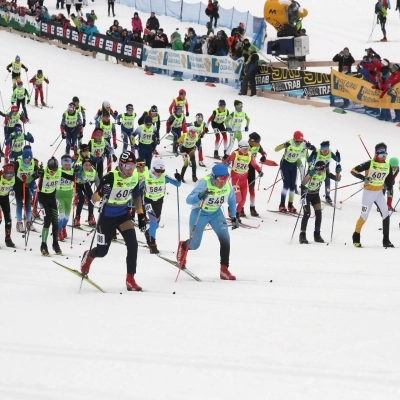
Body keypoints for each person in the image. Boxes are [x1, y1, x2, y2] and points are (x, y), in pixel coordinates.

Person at [80, 151, 147, 291]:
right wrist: (101, 192)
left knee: (133, 244)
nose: (130, 170)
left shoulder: (134, 177)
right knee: (102, 251)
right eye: (127, 166)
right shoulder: (110, 177)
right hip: (107, 217)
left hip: (122, 215)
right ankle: (89, 256)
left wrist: (141, 215)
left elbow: (136, 197)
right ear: (121, 165)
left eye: (133, 166)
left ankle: (130, 279)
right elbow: (92, 199)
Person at [176, 163, 238, 279]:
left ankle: (224, 270)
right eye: (220, 179)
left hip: (216, 213)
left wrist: (234, 216)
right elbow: (188, 200)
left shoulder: (227, 186)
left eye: (226, 178)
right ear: (213, 177)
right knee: (195, 245)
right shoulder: (203, 183)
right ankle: (183, 246)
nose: (223, 182)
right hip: (200, 213)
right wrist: (199, 196)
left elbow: (232, 200)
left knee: (225, 239)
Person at [351, 142, 394, 248]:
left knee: (386, 215)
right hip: (368, 194)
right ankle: (356, 236)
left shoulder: (387, 164)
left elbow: (390, 181)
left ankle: (386, 240)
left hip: (379, 193)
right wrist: (363, 178)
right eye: (381, 155)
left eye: (385, 155)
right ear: (376, 154)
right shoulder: (369, 163)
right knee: (364, 216)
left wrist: (390, 188)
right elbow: (353, 170)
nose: (383, 158)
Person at [36, 157, 75, 256]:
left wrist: (76, 172)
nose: (52, 172)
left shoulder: (59, 172)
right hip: (42, 198)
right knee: (47, 219)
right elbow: (27, 181)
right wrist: (36, 174)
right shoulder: (44, 171)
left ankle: (55, 244)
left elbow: (72, 178)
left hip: (52, 198)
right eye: (50, 170)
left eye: (54, 170)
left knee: (55, 221)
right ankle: (43, 245)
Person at [142, 158, 181, 254]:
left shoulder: (164, 177)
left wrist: (179, 178)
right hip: (148, 202)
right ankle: (152, 244)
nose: (159, 173)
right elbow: (135, 187)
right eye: (157, 171)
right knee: (153, 221)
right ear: (153, 169)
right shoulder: (147, 177)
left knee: (156, 223)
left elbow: (177, 184)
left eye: (161, 171)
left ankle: (148, 233)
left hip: (159, 202)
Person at [299, 161, 341, 244]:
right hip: (305, 194)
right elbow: (303, 183)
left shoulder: (325, 173)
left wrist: (338, 172)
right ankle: (302, 234)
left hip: (315, 195)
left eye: (321, 171)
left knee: (318, 214)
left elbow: (337, 179)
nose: (319, 173)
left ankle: (317, 234)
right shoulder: (311, 171)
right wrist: (310, 175)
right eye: (317, 171)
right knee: (307, 213)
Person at [275, 131, 315, 213]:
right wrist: (284, 146)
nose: (298, 143)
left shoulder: (303, 144)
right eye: (297, 141)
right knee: (286, 185)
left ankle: (290, 205)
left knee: (293, 187)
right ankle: (282, 204)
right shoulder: (289, 142)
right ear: (294, 139)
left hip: (293, 165)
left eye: (300, 141)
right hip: (285, 164)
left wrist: (310, 147)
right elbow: (276, 149)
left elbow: (314, 149)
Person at [223, 139, 263, 221]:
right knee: (238, 198)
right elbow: (227, 161)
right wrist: (224, 165)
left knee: (244, 199)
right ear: (240, 148)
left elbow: (254, 164)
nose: (246, 151)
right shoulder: (235, 153)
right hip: (235, 179)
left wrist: (259, 170)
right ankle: (231, 210)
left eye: (247, 149)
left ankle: (237, 213)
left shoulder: (249, 155)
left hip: (244, 180)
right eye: (245, 149)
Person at [14, 146, 39, 233]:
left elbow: (37, 173)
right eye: (26, 160)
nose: (27, 162)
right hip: (18, 185)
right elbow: (12, 175)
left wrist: (32, 177)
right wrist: (21, 180)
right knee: (19, 203)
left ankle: (28, 221)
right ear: (23, 158)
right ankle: (19, 223)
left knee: (28, 203)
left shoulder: (32, 163)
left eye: (29, 160)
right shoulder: (18, 163)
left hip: (26, 184)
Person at [73, 156, 100, 228]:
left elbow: (97, 182)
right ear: (82, 165)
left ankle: (91, 216)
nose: (87, 167)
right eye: (85, 165)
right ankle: (77, 217)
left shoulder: (93, 171)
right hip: (78, 185)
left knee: (92, 198)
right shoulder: (78, 168)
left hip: (86, 185)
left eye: (89, 165)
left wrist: (100, 191)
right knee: (81, 199)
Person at [247, 132, 268, 217]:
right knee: (242, 189)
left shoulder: (258, 146)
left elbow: (264, 153)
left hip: (252, 168)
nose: (258, 143)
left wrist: (264, 157)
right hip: (243, 169)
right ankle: (239, 209)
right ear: (252, 141)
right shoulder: (245, 145)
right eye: (257, 141)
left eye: (259, 141)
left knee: (252, 189)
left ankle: (252, 208)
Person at [56, 154, 74, 241]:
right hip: (59, 195)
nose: (67, 166)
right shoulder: (58, 171)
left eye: (69, 164)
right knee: (62, 215)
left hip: (69, 195)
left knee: (67, 216)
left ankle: (63, 227)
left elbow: (81, 178)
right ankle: (58, 231)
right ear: (62, 164)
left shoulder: (73, 171)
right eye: (65, 164)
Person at [0, 163, 17, 248]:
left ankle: (8, 239)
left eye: (12, 174)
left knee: (8, 219)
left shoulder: (13, 178)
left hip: (5, 198)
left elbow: (20, 183)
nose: (10, 177)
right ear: (4, 173)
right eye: (8, 174)